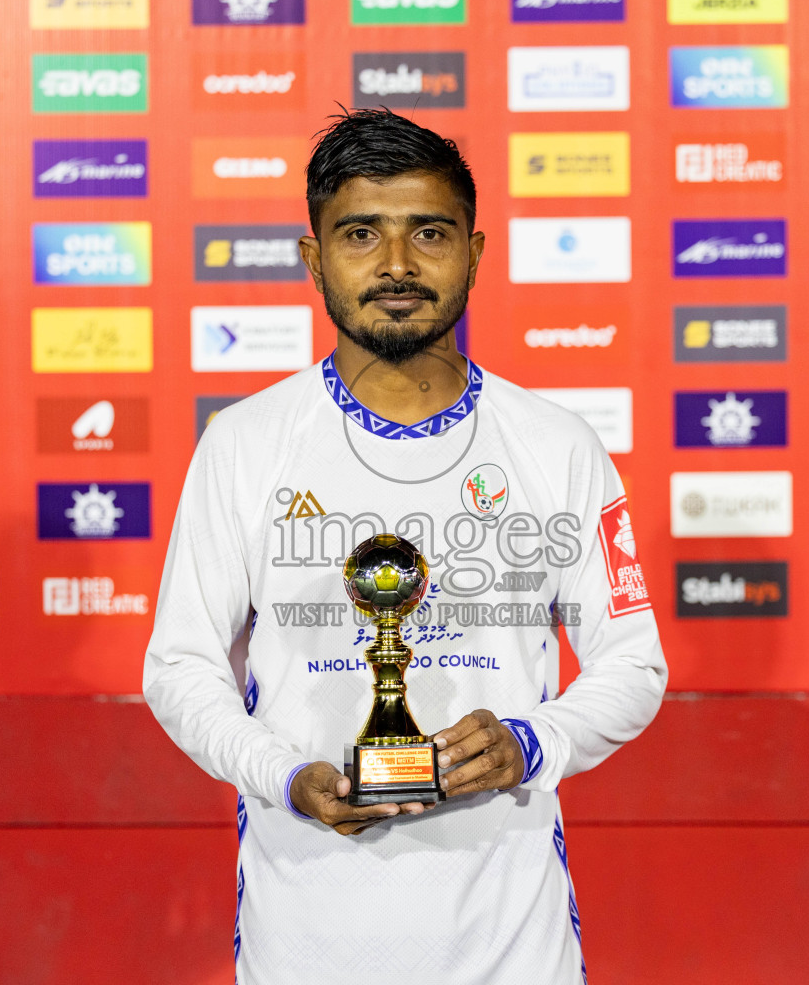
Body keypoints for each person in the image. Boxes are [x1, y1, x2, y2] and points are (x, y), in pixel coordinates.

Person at [144, 108, 667, 983]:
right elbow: (179, 667)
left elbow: (632, 666)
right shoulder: (244, 443)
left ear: (476, 251)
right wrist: (282, 775)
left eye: (429, 232)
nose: (396, 265)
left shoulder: (556, 445)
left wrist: (530, 744)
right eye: (360, 235)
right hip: (303, 938)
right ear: (314, 259)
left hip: (513, 948)